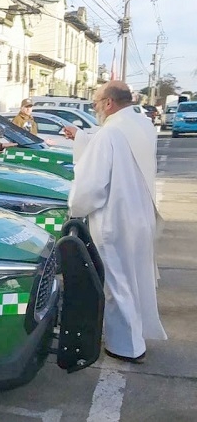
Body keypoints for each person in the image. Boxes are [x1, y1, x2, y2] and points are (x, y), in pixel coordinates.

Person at [67, 80, 167, 364]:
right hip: (141, 216)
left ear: (109, 103)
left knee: (117, 283)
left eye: (97, 103)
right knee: (135, 280)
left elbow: (92, 185)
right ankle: (136, 336)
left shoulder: (110, 134)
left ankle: (126, 346)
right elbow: (112, 144)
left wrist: (76, 206)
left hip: (115, 220)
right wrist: (82, 138)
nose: (96, 108)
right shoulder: (142, 125)